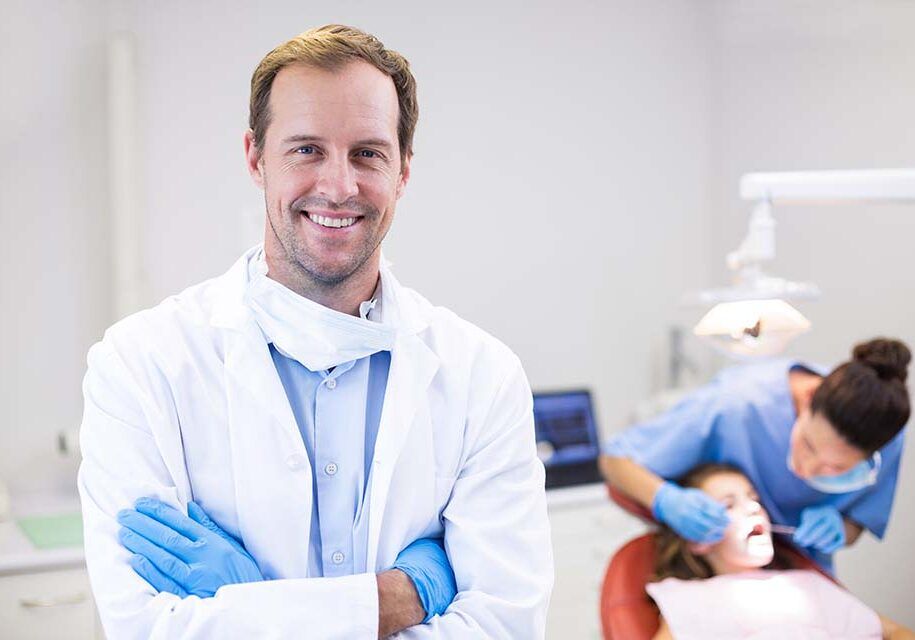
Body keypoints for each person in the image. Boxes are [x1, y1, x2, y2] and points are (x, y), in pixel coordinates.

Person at [78, 24, 553, 639]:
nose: (338, 186)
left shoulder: (482, 375)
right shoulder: (141, 364)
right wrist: (399, 598)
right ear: (256, 158)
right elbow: (145, 628)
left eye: (368, 153)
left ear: (404, 169)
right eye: (306, 149)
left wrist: (251, 605)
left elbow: (505, 626)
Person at [601, 338, 910, 573]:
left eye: (836, 468)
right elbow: (615, 460)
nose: (807, 471)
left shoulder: (886, 435)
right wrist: (667, 501)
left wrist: (841, 530)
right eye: (809, 446)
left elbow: (858, 520)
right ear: (808, 397)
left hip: (803, 573)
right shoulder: (737, 402)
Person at [647, 463, 915, 640]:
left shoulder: (808, 584)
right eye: (729, 505)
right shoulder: (689, 598)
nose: (753, 508)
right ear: (696, 540)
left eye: (754, 499)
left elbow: (894, 632)